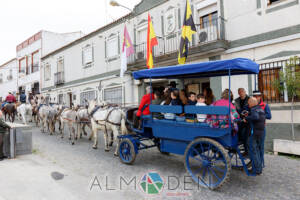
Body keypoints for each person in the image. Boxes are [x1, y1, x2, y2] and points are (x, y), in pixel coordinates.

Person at [244, 97, 266, 175]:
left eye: (249, 102)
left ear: (252, 103)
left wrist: (246, 118)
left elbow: (255, 117)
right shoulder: (260, 108)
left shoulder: (254, 109)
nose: (248, 104)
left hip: (255, 132)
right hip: (260, 132)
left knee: (252, 150)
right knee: (257, 150)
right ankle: (258, 168)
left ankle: (257, 169)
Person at [252, 90, 272, 167]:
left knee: (261, 147)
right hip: (252, 128)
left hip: (261, 129)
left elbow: (269, 116)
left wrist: (260, 114)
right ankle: (256, 163)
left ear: (260, 97)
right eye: (255, 96)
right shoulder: (251, 105)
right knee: (254, 147)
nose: (257, 98)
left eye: (258, 96)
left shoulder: (265, 105)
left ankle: (261, 163)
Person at [235, 88, 250, 155]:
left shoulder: (249, 99)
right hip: (239, 120)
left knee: (245, 134)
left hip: (247, 120)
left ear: (245, 92)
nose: (241, 93)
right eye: (239, 92)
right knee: (236, 131)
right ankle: (238, 144)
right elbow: (235, 110)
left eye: (242, 92)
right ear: (238, 93)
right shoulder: (236, 100)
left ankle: (246, 150)